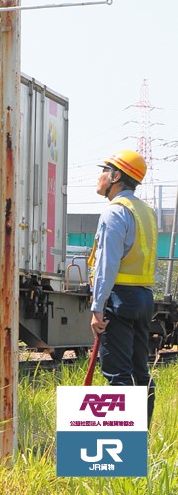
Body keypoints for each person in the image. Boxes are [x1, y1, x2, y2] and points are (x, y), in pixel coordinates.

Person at [89, 149, 158, 424]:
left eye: (104, 170)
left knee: (118, 376)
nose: (100, 176)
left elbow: (107, 264)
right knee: (140, 373)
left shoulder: (115, 212)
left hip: (119, 299)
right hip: (144, 298)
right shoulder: (146, 212)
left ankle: (123, 449)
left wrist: (97, 309)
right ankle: (143, 439)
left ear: (116, 176)